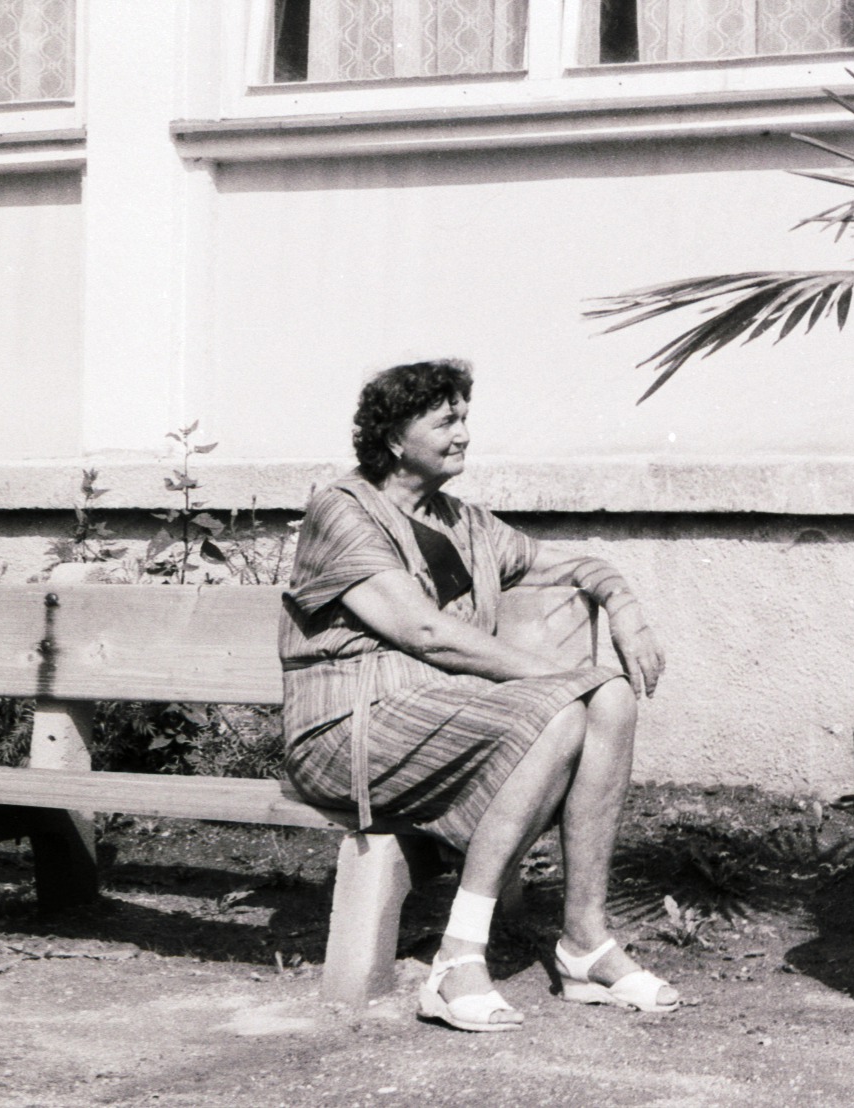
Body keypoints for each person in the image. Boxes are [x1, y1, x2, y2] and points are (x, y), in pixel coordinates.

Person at [279, 359, 678, 1032]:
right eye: (446, 421)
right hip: (349, 726)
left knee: (610, 698)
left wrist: (621, 601)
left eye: (465, 418)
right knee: (557, 709)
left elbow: (567, 563)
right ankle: (457, 956)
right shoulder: (341, 512)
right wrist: (551, 678)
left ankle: (585, 940)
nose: (464, 434)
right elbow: (427, 632)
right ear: (395, 438)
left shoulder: (463, 521)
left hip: (440, 717)